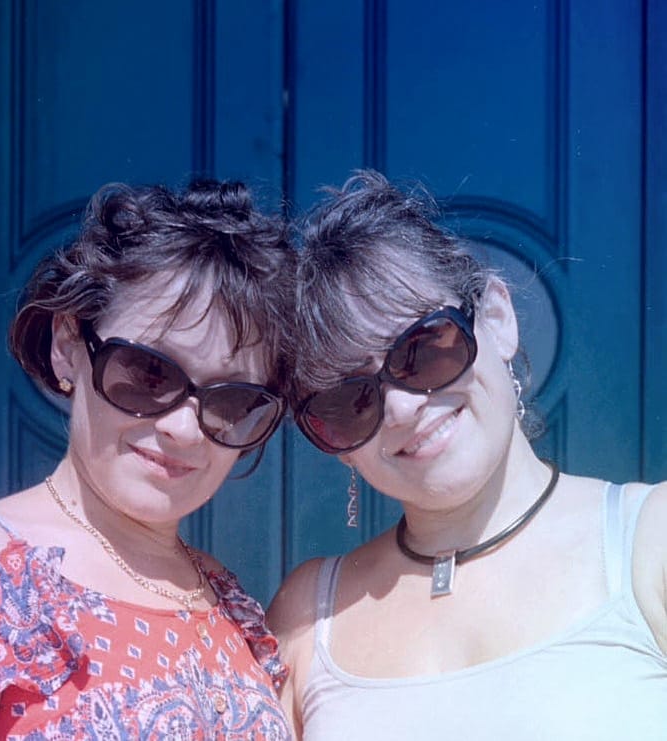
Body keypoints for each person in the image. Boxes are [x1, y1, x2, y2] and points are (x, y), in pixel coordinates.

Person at [268, 170, 667, 739]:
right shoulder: (309, 615)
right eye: (350, 400)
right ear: (335, 445)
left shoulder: (650, 541)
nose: (402, 408)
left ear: (498, 319)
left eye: (424, 349)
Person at [0, 179, 295, 739]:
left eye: (231, 401)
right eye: (149, 373)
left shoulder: (223, 597)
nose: (183, 429)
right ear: (67, 346)